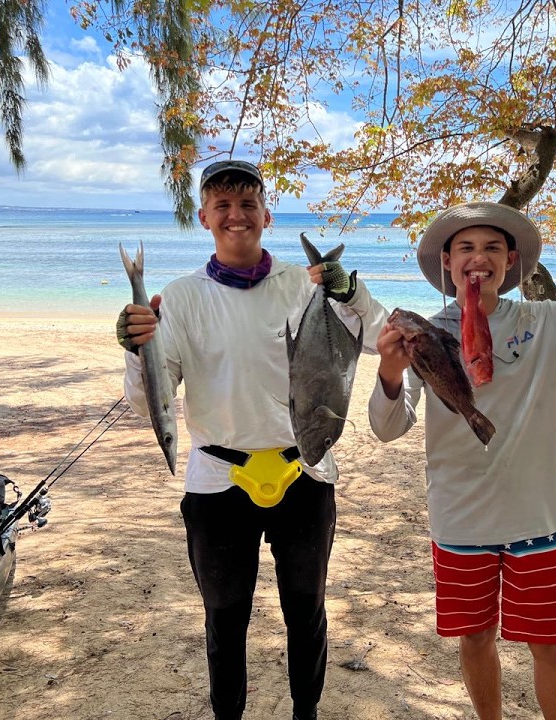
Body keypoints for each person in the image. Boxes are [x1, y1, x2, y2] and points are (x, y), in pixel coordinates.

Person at [117, 159, 389, 720]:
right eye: (223, 206)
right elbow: (151, 400)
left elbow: (380, 339)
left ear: (267, 215)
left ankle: (305, 713)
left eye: (247, 205)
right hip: (216, 480)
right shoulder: (182, 297)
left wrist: (350, 292)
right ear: (204, 218)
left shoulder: (303, 283)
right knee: (224, 615)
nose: (236, 216)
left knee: (306, 609)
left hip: (306, 471)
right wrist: (133, 347)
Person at [367, 201, 556, 720]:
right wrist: (390, 371)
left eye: (492, 247)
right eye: (465, 248)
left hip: (535, 517)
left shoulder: (550, 321)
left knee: (551, 645)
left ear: (510, 260)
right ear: (447, 262)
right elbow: (388, 427)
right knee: (473, 639)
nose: (479, 259)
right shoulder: (424, 333)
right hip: (459, 518)